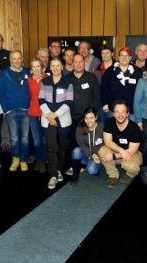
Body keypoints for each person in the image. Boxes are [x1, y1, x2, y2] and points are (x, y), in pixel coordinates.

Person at [40, 58, 74, 190]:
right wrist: (49, 115)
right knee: (51, 147)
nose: (55, 68)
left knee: (62, 147)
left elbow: (69, 102)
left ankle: (59, 169)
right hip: (47, 119)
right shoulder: (45, 81)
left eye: (58, 65)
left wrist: (56, 115)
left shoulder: (67, 82)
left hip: (63, 119)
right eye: (53, 65)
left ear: (62, 67)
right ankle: (53, 175)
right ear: (50, 67)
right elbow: (41, 99)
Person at [0, 50, 31, 172]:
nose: (17, 61)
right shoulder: (5, 73)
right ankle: (15, 158)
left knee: (25, 137)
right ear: (10, 60)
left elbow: (32, 91)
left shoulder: (27, 72)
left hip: (25, 110)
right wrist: (6, 110)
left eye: (19, 58)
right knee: (14, 137)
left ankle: (23, 160)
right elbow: (1, 93)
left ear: (22, 59)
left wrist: (29, 106)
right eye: (14, 59)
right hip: (11, 111)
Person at [98, 100, 143, 188]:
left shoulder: (134, 128)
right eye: (117, 112)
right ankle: (113, 175)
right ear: (113, 113)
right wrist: (121, 150)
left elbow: (131, 151)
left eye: (123, 112)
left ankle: (130, 174)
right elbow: (107, 142)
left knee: (132, 167)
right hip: (117, 151)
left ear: (127, 113)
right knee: (102, 151)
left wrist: (114, 156)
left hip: (132, 153)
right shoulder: (109, 122)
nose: (120, 115)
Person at [100, 47, 143, 117]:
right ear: (119, 57)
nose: (124, 58)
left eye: (126, 56)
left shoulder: (137, 72)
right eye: (122, 55)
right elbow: (103, 88)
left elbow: (141, 91)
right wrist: (104, 103)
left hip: (132, 111)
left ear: (130, 58)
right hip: (113, 111)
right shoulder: (110, 71)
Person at [27, 59, 48, 173]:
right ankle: (40, 160)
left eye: (38, 66)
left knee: (44, 139)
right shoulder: (29, 81)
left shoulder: (47, 79)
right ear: (31, 69)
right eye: (34, 67)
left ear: (42, 67)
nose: (36, 69)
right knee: (36, 140)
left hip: (45, 113)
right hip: (32, 113)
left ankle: (42, 160)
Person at [71, 107, 104, 176]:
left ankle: (92, 165)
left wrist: (97, 156)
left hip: (98, 155)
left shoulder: (102, 127)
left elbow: (105, 144)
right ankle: (82, 165)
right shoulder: (80, 128)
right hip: (87, 153)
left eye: (91, 118)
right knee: (76, 151)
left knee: (91, 171)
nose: (89, 121)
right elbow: (82, 145)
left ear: (96, 117)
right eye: (86, 118)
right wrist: (92, 155)